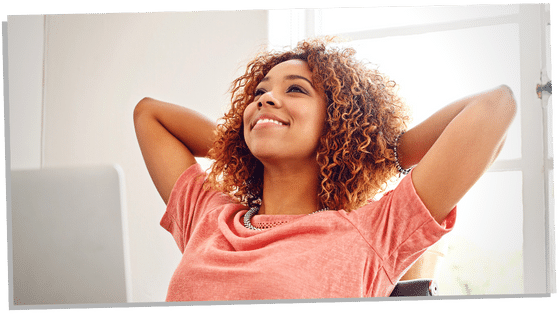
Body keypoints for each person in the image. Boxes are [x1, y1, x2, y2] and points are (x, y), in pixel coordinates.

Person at [133, 38, 516, 301]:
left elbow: (496, 106)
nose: (266, 97)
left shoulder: (373, 233)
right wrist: (243, 138)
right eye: (259, 94)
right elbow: (148, 113)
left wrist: (382, 147)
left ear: (337, 123)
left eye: (295, 90)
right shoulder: (209, 218)